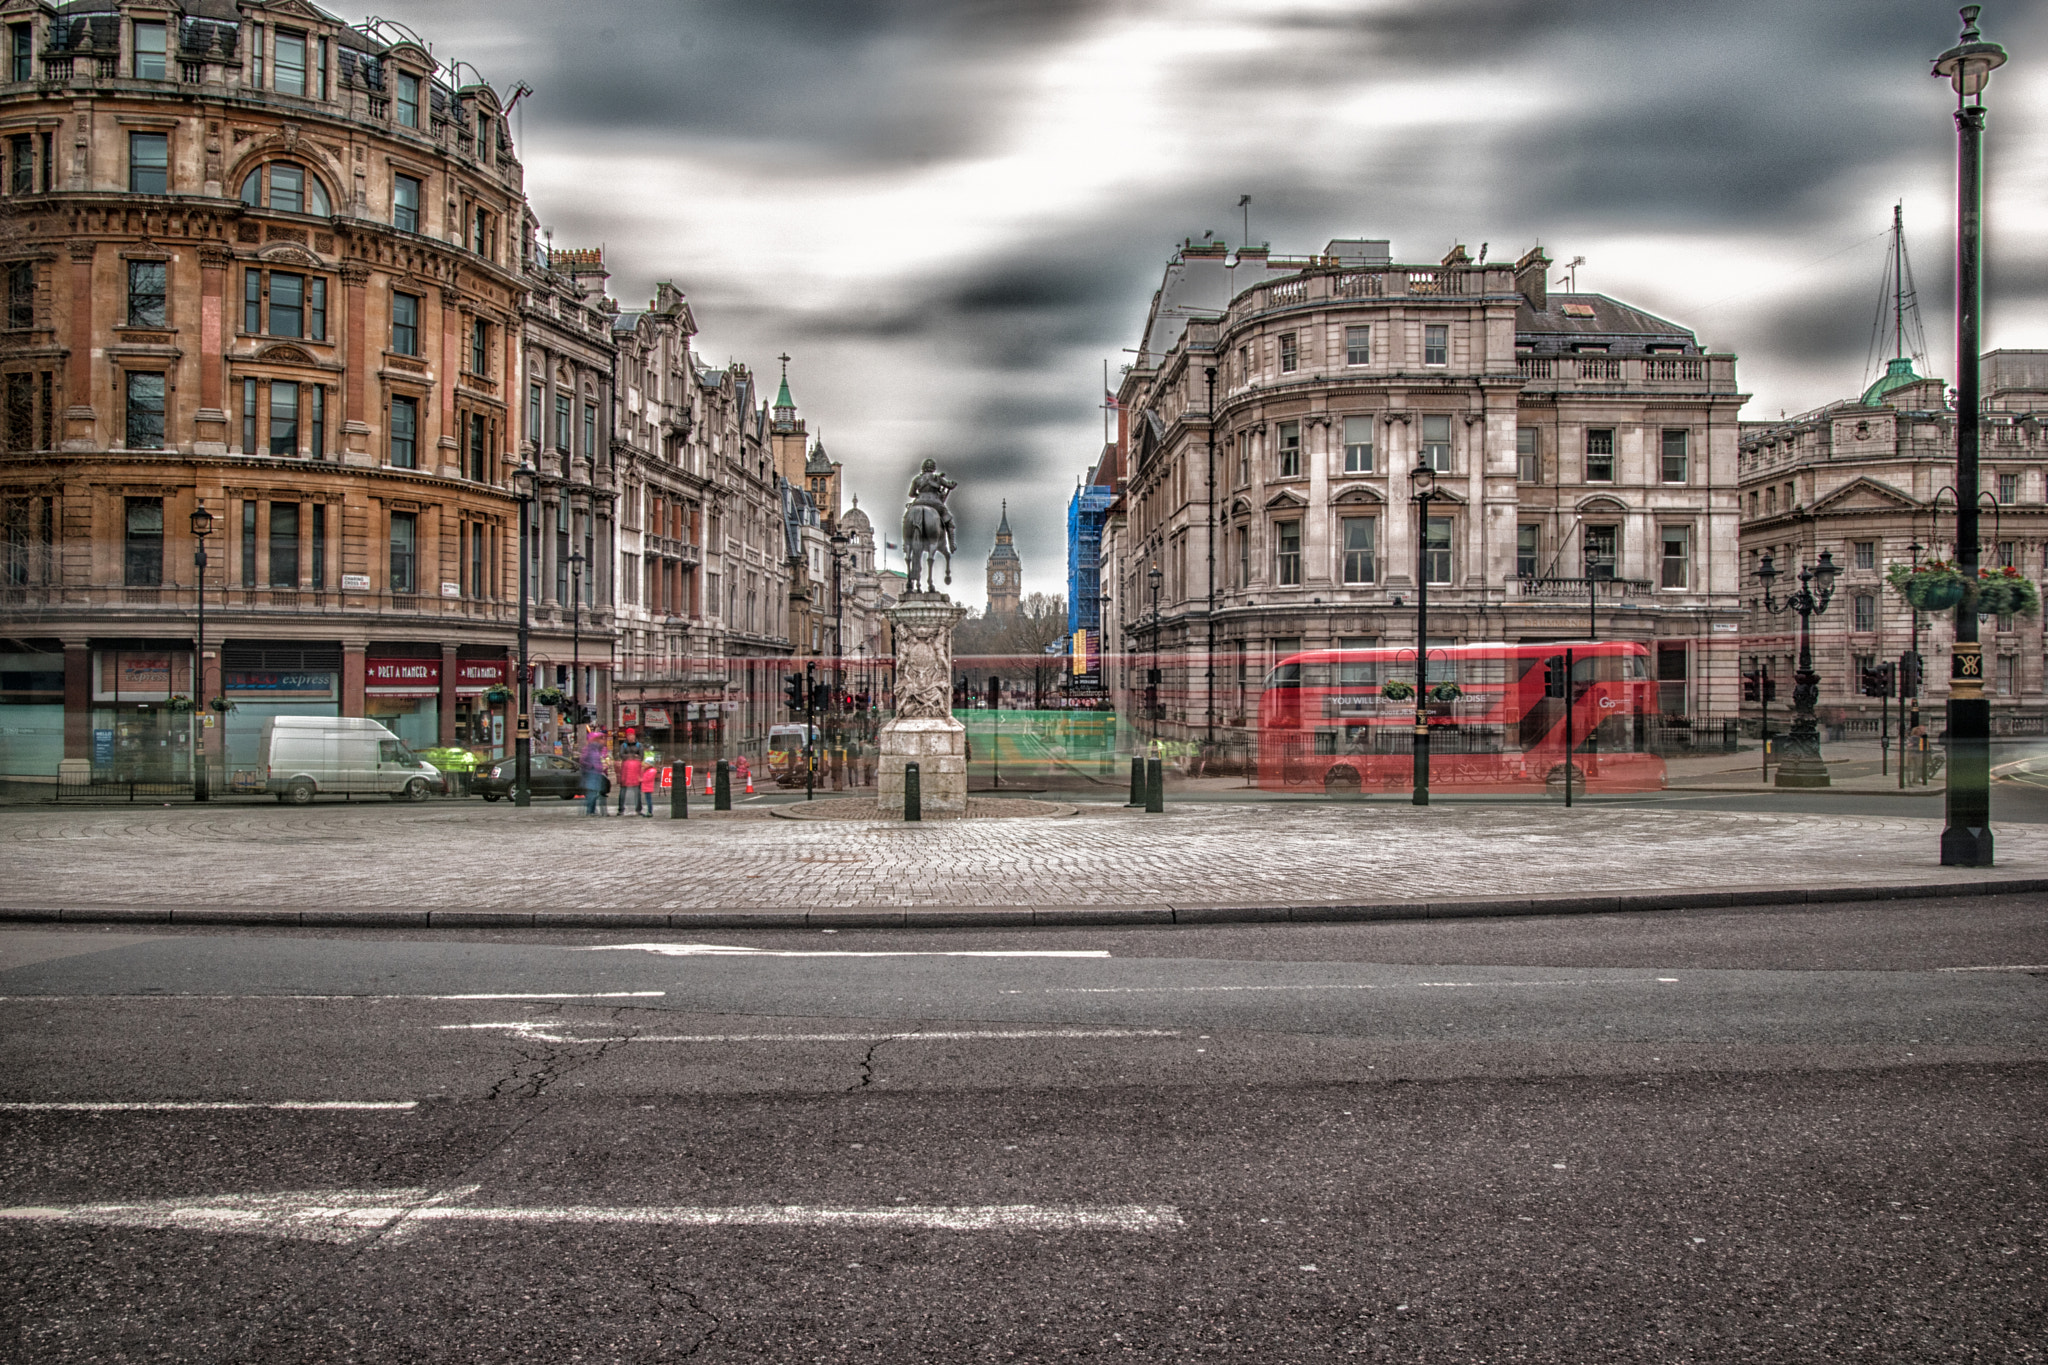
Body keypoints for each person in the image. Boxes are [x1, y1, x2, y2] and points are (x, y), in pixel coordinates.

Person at [579, 734, 606, 816]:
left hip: (596, 773)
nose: (603, 741)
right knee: (592, 793)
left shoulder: (597, 749)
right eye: (601, 739)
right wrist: (592, 766)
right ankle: (590, 811)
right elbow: (582, 760)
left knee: (594, 793)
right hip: (591, 773)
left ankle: (592, 810)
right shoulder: (589, 749)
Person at [620, 746, 643, 816]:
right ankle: (637, 809)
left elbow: (623, 772)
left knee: (625, 796)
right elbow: (640, 772)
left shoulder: (625, 763)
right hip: (636, 781)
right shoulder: (638, 763)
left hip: (626, 781)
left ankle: (623, 809)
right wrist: (641, 780)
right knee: (636, 795)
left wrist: (622, 780)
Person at [639, 752, 659, 816]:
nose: (644, 765)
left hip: (648, 788)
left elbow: (647, 779)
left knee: (649, 800)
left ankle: (650, 812)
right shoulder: (647, 770)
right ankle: (649, 811)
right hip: (646, 787)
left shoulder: (651, 771)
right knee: (648, 800)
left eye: (646, 763)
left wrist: (641, 780)